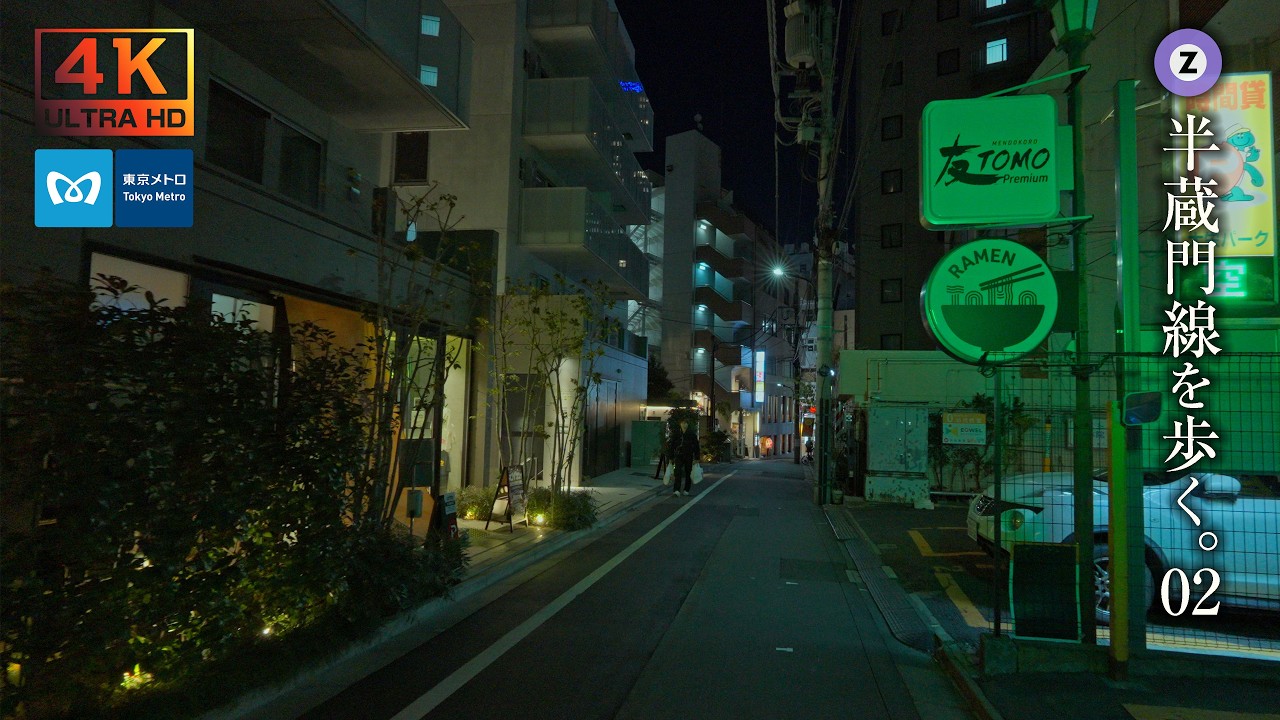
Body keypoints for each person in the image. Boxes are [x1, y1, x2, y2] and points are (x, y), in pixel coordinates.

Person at [669, 419, 700, 496]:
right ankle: (676, 490)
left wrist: (697, 458)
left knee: (688, 473)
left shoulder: (692, 434)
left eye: (685, 423)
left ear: (688, 424)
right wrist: (671, 457)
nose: (684, 425)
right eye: (683, 423)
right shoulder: (677, 434)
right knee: (678, 472)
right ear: (680, 424)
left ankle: (686, 489)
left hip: (688, 455)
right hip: (679, 455)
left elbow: (696, 446)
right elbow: (672, 446)